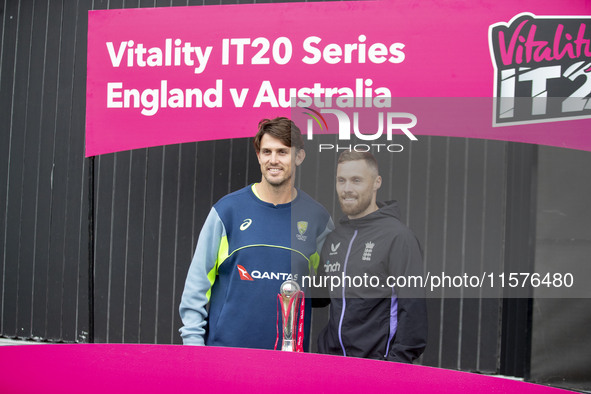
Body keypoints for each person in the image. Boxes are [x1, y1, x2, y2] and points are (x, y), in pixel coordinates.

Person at [179, 117, 333, 350]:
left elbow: (334, 290)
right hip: (225, 357)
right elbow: (196, 287)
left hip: (288, 363)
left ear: (299, 157)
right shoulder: (228, 211)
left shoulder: (318, 219)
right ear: (259, 155)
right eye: (267, 151)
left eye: (282, 152)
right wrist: (193, 347)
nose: (273, 160)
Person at [315, 150, 427, 362]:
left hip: (375, 367)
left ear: (377, 182)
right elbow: (320, 296)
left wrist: (395, 365)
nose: (347, 189)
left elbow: (413, 310)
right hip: (331, 363)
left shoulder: (398, 237)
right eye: (341, 180)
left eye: (356, 180)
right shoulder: (334, 238)